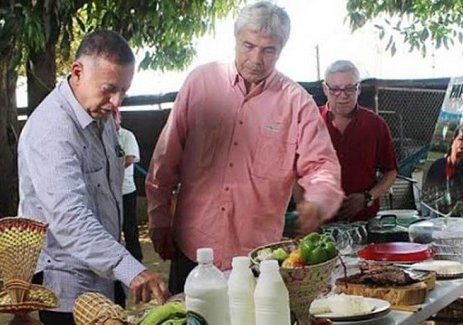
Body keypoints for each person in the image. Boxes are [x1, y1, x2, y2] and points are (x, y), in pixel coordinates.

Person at [146, 1, 344, 294]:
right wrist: (159, 215)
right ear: (236, 39)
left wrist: (318, 199)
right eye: (248, 45)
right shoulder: (201, 83)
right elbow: (166, 156)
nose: (256, 58)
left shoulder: (296, 102)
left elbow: (321, 166)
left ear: (281, 50)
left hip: (258, 258)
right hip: (194, 250)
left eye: (269, 50)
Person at [18, 30, 168, 324]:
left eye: (124, 91)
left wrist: (121, 269)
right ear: (77, 72)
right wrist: (130, 268)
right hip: (67, 286)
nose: (116, 102)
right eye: (109, 89)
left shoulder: (102, 117)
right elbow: (70, 218)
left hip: (106, 274)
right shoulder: (52, 130)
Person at [318, 60, 398, 222]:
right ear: (325, 89)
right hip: (317, 224)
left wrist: (367, 197)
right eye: (335, 89)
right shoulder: (309, 122)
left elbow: (391, 172)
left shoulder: (375, 124)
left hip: (363, 221)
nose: (342, 95)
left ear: (359, 88)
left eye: (349, 88)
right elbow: (294, 171)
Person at [113, 111, 143, 307]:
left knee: (130, 230)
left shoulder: (127, 136)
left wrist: (111, 167)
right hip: (108, 194)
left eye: (114, 117)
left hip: (126, 190)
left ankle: (137, 266)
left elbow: (130, 158)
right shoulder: (100, 138)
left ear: (119, 118)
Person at [423, 122, 463, 212]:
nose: (462, 146)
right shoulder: (437, 167)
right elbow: (426, 198)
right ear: (452, 141)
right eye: (460, 139)